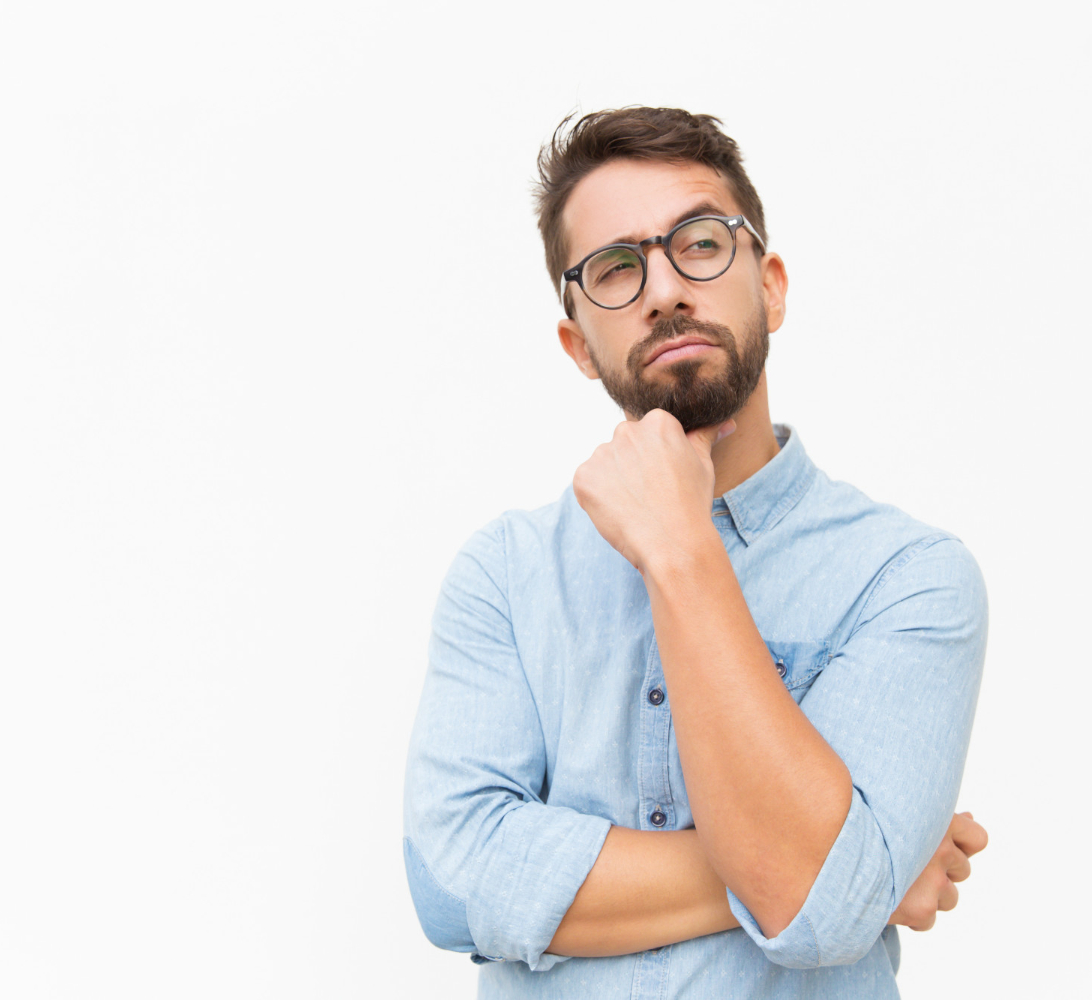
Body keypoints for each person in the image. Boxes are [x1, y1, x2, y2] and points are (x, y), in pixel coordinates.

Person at [402, 107, 989, 998]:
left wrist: (681, 546)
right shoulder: (504, 576)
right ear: (578, 346)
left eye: (701, 244)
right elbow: (452, 883)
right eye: (616, 269)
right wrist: (859, 865)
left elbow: (818, 909)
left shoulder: (907, 579)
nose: (665, 289)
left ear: (773, 285)